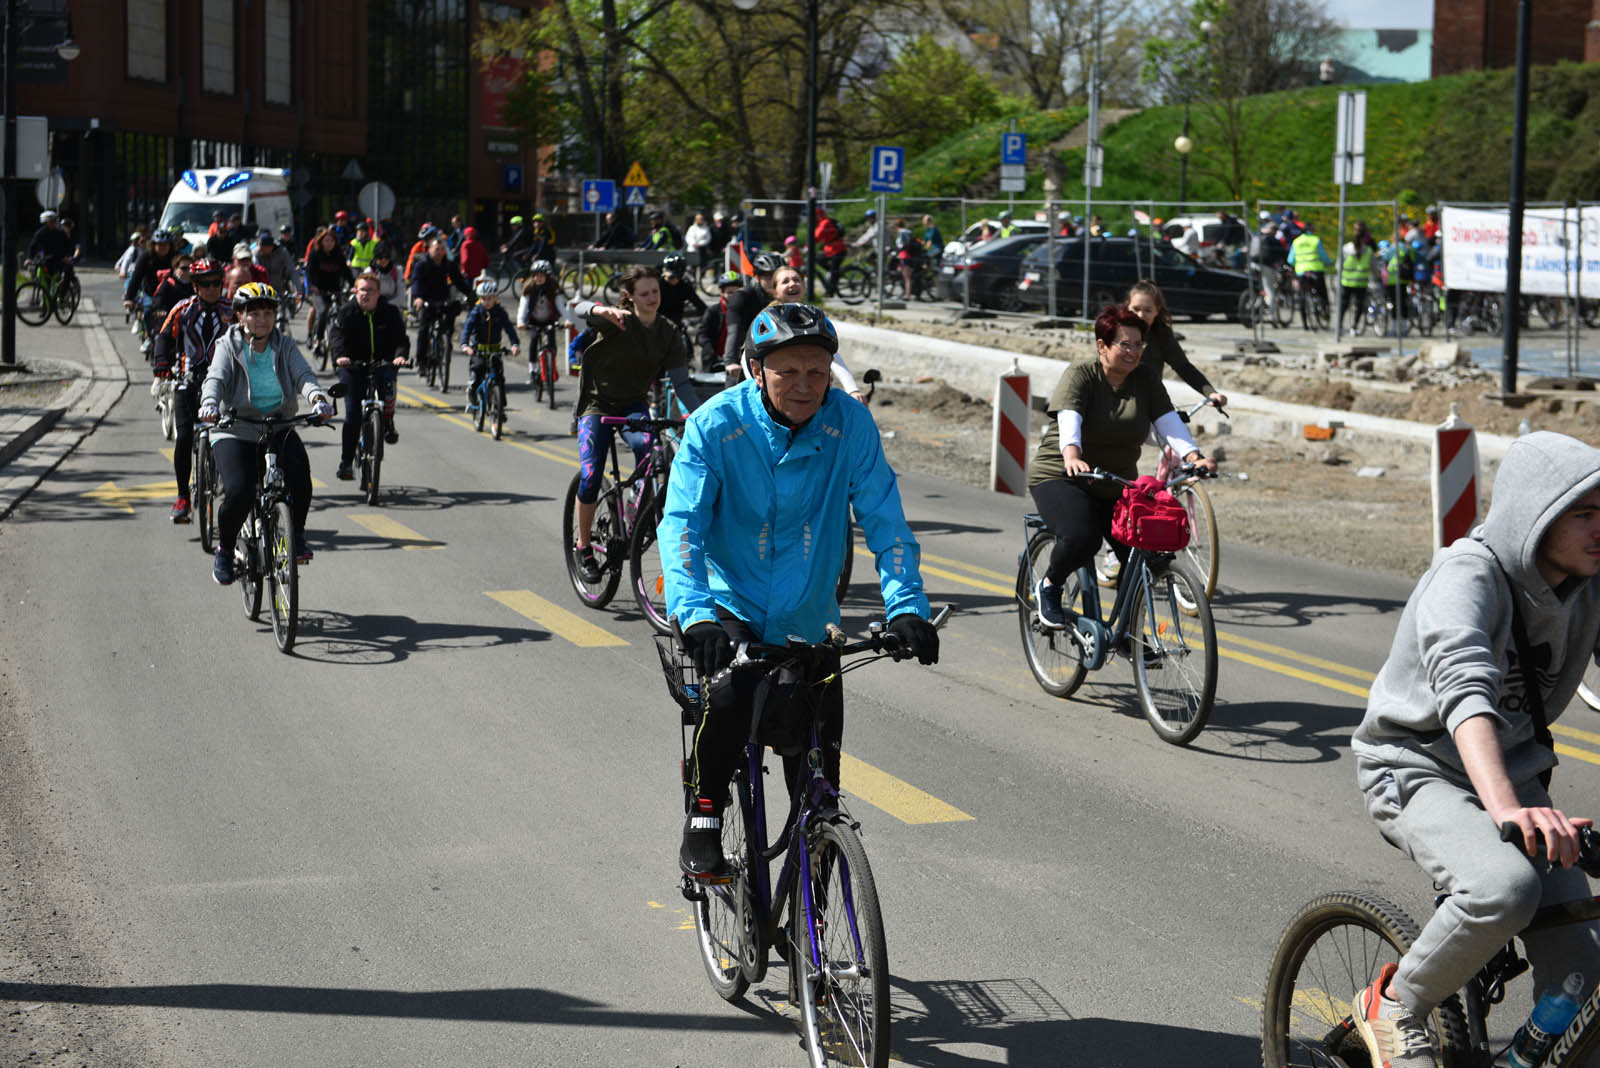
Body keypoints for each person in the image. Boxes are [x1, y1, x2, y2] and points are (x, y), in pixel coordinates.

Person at [1348, 430, 1600, 1068]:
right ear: (1536, 512)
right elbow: (1464, 692)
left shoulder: (1590, 586)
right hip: (1417, 768)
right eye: (1586, 512)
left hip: (1518, 783)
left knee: (1582, 976)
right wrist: (1506, 809)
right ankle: (1394, 1003)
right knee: (1504, 888)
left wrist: (1518, 801)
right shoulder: (1467, 575)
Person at [660, 302, 939, 877]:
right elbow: (681, 523)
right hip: (728, 601)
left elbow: (885, 519)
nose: (805, 384)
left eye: (818, 370)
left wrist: (907, 605)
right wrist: (695, 616)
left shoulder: (849, 424)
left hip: (811, 616)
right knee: (731, 696)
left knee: (818, 772)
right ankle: (705, 816)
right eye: (789, 370)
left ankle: (811, 913)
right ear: (757, 370)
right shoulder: (715, 425)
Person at [1025, 305, 1216, 629]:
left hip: (1115, 481)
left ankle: (1129, 635)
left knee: (1143, 551)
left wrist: (1194, 457)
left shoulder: (1145, 379)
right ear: (1103, 345)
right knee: (1082, 536)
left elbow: (1168, 422)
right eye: (1124, 345)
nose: (1133, 352)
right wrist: (1072, 455)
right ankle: (1049, 587)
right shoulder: (1082, 373)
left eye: (1139, 345)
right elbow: (1070, 418)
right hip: (1062, 475)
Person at [569, 267, 702, 582]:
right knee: (590, 476)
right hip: (597, 405)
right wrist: (602, 310)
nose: (652, 298)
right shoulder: (619, 319)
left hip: (633, 405)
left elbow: (682, 385)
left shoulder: (668, 332)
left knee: (651, 451)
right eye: (644, 293)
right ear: (631, 296)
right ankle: (583, 545)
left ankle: (635, 509)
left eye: (655, 291)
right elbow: (577, 308)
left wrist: (698, 416)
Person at [199, 283, 334, 582]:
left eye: (268, 313)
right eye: (255, 313)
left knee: (300, 478)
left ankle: (296, 535)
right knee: (239, 491)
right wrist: (209, 403)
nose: (262, 319)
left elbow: (304, 375)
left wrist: (318, 399)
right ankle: (224, 549)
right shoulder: (228, 345)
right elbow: (216, 378)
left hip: (278, 425)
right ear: (240, 316)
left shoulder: (284, 345)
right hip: (235, 428)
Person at [154, 258, 236, 523]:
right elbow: (164, 337)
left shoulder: (232, 309)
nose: (213, 288)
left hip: (224, 382)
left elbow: (251, 336)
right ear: (195, 285)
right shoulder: (183, 309)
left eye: (217, 283)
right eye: (206, 283)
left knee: (237, 434)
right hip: (188, 379)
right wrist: (162, 364)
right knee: (185, 437)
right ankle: (182, 498)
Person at [329, 271, 410, 477]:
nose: (366, 294)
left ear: (378, 293)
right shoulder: (347, 312)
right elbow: (336, 337)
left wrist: (400, 356)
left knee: (389, 385)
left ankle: (388, 421)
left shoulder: (390, 312)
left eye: (371, 291)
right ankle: (346, 463)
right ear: (355, 291)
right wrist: (340, 357)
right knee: (353, 414)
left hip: (382, 362)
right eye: (362, 290)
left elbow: (401, 339)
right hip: (352, 366)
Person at [460, 277, 520, 415]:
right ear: (480, 299)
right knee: (477, 373)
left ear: (495, 298)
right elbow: (467, 329)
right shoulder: (476, 313)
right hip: (478, 350)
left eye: (490, 298)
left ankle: (500, 408)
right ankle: (472, 395)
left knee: (499, 379)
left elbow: (509, 329)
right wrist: (465, 345)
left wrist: (515, 344)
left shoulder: (500, 313)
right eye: (484, 299)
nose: (487, 302)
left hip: (495, 350)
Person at [718, 251, 781, 378]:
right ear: (757, 277)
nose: (773, 281)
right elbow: (734, 331)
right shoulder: (742, 297)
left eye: (776, 276)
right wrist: (730, 361)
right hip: (746, 356)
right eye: (768, 277)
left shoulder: (782, 296)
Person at [409, 236, 471, 363]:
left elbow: (459, 282)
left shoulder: (449, 265)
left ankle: (446, 340)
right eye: (437, 249)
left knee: (453, 312)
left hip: (443, 299)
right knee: (423, 330)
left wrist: (472, 295)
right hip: (426, 300)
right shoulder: (422, 265)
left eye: (442, 249)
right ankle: (421, 361)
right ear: (430, 250)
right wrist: (418, 297)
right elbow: (416, 282)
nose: (440, 252)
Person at [517, 260, 575, 392]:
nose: (538, 278)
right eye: (536, 275)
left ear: (547, 276)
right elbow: (523, 306)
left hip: (549, 320)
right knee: (533, 340)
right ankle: (532, 370)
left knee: (552, 344)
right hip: (533, 320)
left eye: (542, 275)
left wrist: (568, 320)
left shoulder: (553, 288)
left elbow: (561, 306)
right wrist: (521, 321)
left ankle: (551, 368)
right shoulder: (529, 288)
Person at [304, 228, 353, 357]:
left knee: (342, 313)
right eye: (326, 241)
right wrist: (311, 286)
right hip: (318, 290)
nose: (329, 243)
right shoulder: (315, 253)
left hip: (335, 289)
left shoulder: (338, 254)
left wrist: (354, 286)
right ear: (321, 241)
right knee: (323, 311)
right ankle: (318, 342)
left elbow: (346, 272)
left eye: (331, 241)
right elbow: (308, 271)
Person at [1338, 221, 1377, 333]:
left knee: (1344, 304)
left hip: (1347, 281)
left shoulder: (1346, 248)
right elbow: (1374, 267)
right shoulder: (1368, 251)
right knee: (1359, 305)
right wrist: (1377, 277)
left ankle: (1339, 325)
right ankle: (1354, 326)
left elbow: (1338, 265)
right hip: (1361, 282)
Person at [1288, 223, 1332, 317]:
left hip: (1301, 272)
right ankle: (1325, 311)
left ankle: (1304, 322)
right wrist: (1329, 262)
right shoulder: (1315, 240)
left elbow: (1291, 260)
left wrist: (1298, 264)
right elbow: (1323, 255)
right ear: (1312, 230)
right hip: (1316, 270)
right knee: (1322, 292)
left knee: (1302, 295)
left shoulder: (1296, 241)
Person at [1248, 214, 1288, 318]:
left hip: (1252, 264)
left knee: (1257, 286)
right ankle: (1271, 315)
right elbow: (1283, 254)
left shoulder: (1258, 235)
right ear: (1275, 231)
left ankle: (1254, 301)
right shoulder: (1274, 240)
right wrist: (1286, 265)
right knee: (1270, 290)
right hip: (1266, 265)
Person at [27, 210, 78, 286]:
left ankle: (63, 294)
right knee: (40, 272)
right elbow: (33, 245)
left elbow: (67, 245)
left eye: (54, 221)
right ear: (46, 222)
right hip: (46, 259)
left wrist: (67, 257)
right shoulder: (40, 233)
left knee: (67, 270)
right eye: (51, 221)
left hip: (59, 258)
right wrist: (29, 258)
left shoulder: (59, 233)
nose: (54, 223)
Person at [657, 253, 707, 330]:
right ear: (664, 271)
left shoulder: (684, 286)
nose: (675, 280)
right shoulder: (657, 286)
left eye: (678, 276)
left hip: (677, 325)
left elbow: (700, 305)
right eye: (671, 277)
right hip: (657, 324)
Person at [814, 204, 847, 297]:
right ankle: (834, 273)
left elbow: (817, 236)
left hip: (838, 250)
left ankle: (830, 292)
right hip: (831, 250)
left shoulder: (825, 223)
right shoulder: (823, 222)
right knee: (819, 259)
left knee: (833, 271)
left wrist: (807, 245)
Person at [254, 231, 296, 302]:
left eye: (262, 248)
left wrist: (298, 290)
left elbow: (292, 270)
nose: (260, 250)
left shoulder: (282, 252)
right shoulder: (256, 253)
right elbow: (255, 269)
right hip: (263, 288)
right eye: (259, 247)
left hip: (279, 286)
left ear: (270, 247)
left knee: (284, 306)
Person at [893, 217, 921, 299]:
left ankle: (907, 295)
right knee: (900, 273)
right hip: (906, 256)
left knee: (907, 277)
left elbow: (901, 245)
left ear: (897, 226)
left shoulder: (901, 233)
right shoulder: (908, 232)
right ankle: (904, 292)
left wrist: (897, 250)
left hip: (905, 256)